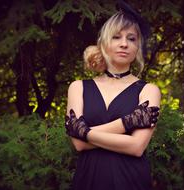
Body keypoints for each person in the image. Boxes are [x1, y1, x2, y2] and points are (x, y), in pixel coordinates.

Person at [65, 1, 161, 190]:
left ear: (137, 47)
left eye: (131, 39)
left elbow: (136, 147)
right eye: (116, 37)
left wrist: (85, 132)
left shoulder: (149, 90)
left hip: (131, 180)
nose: (124, 44)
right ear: (104, 43)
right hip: (88, 180)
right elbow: (78, 145)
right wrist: (128, 123)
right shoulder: (78, 88)